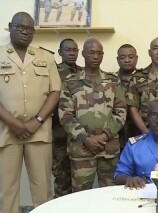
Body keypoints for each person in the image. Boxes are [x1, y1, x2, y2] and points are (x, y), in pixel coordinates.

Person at [0, 12, 61, 213]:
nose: (25, 32)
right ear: (10, 26)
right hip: (6, 132)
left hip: (39, 132)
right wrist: (15, 124)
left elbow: (55, 91)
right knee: (6, 190)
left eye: (30, 29)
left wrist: (38, 120)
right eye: (20, 27)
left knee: (42, 189)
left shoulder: (46, 57)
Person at [59, 38, 127, 192]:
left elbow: (121, 112)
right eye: (91, 53)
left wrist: (104, 136)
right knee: (80, 197)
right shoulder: (70, 83)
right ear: (83, 54)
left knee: (111, 195)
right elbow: (65, 115)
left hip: (108, 150)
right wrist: (86, 139)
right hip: (81, 150)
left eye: (99, 53)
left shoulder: (113, 82)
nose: (96, 57)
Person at [52, 38, 81, 198]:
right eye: (68, 50)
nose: (72, 53)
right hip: (60, 136)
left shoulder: (84, 72)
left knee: (79, 181)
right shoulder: (53, 72)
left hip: (80, 137)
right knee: (62, 180)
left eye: (75, 50)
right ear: (60, 52)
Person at [116, 44, 139, 149]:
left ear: (136, 58)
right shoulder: (110, 80)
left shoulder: (145, 78)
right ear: (117, 60)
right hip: (117, 132)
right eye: (122, 57)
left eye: (130, 57)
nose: (127, 60)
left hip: (139, 130)